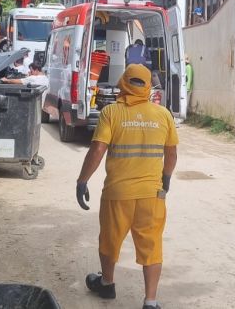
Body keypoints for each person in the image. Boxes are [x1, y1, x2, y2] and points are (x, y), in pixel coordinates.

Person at [76, 64, 178, 309]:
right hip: (152, 195)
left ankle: (108, 284)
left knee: (109, 241)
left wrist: (82, 180)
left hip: (117, 194)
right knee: (152, 247)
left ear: (123, 81)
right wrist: (166, 177)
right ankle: (150, 301)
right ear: (148, 86)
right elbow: (171, 153)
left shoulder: (111, 113)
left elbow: (98, 149)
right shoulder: (163, 114)